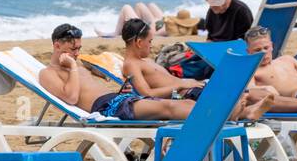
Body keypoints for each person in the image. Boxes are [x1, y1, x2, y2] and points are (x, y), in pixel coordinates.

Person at [40, 23, 273, 122]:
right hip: (106, 107)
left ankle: (237, 114)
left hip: (118, 100)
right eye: (72, 49)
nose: (76, 54)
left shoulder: (77, 65)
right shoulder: (48, 73)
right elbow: (70, 98)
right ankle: (231, 115)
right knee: (168, 107)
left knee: (182, 106)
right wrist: (71, 68)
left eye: (79, 48)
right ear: (57, 45)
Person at [120, 18, 207, 101]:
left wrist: (184, 82)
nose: (151, 46)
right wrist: (181, 85)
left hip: (190, 89)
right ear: (139, 42)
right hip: (187, 96)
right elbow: (147, 94)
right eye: (149, 41)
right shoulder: (131, 64)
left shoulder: (143, 61)